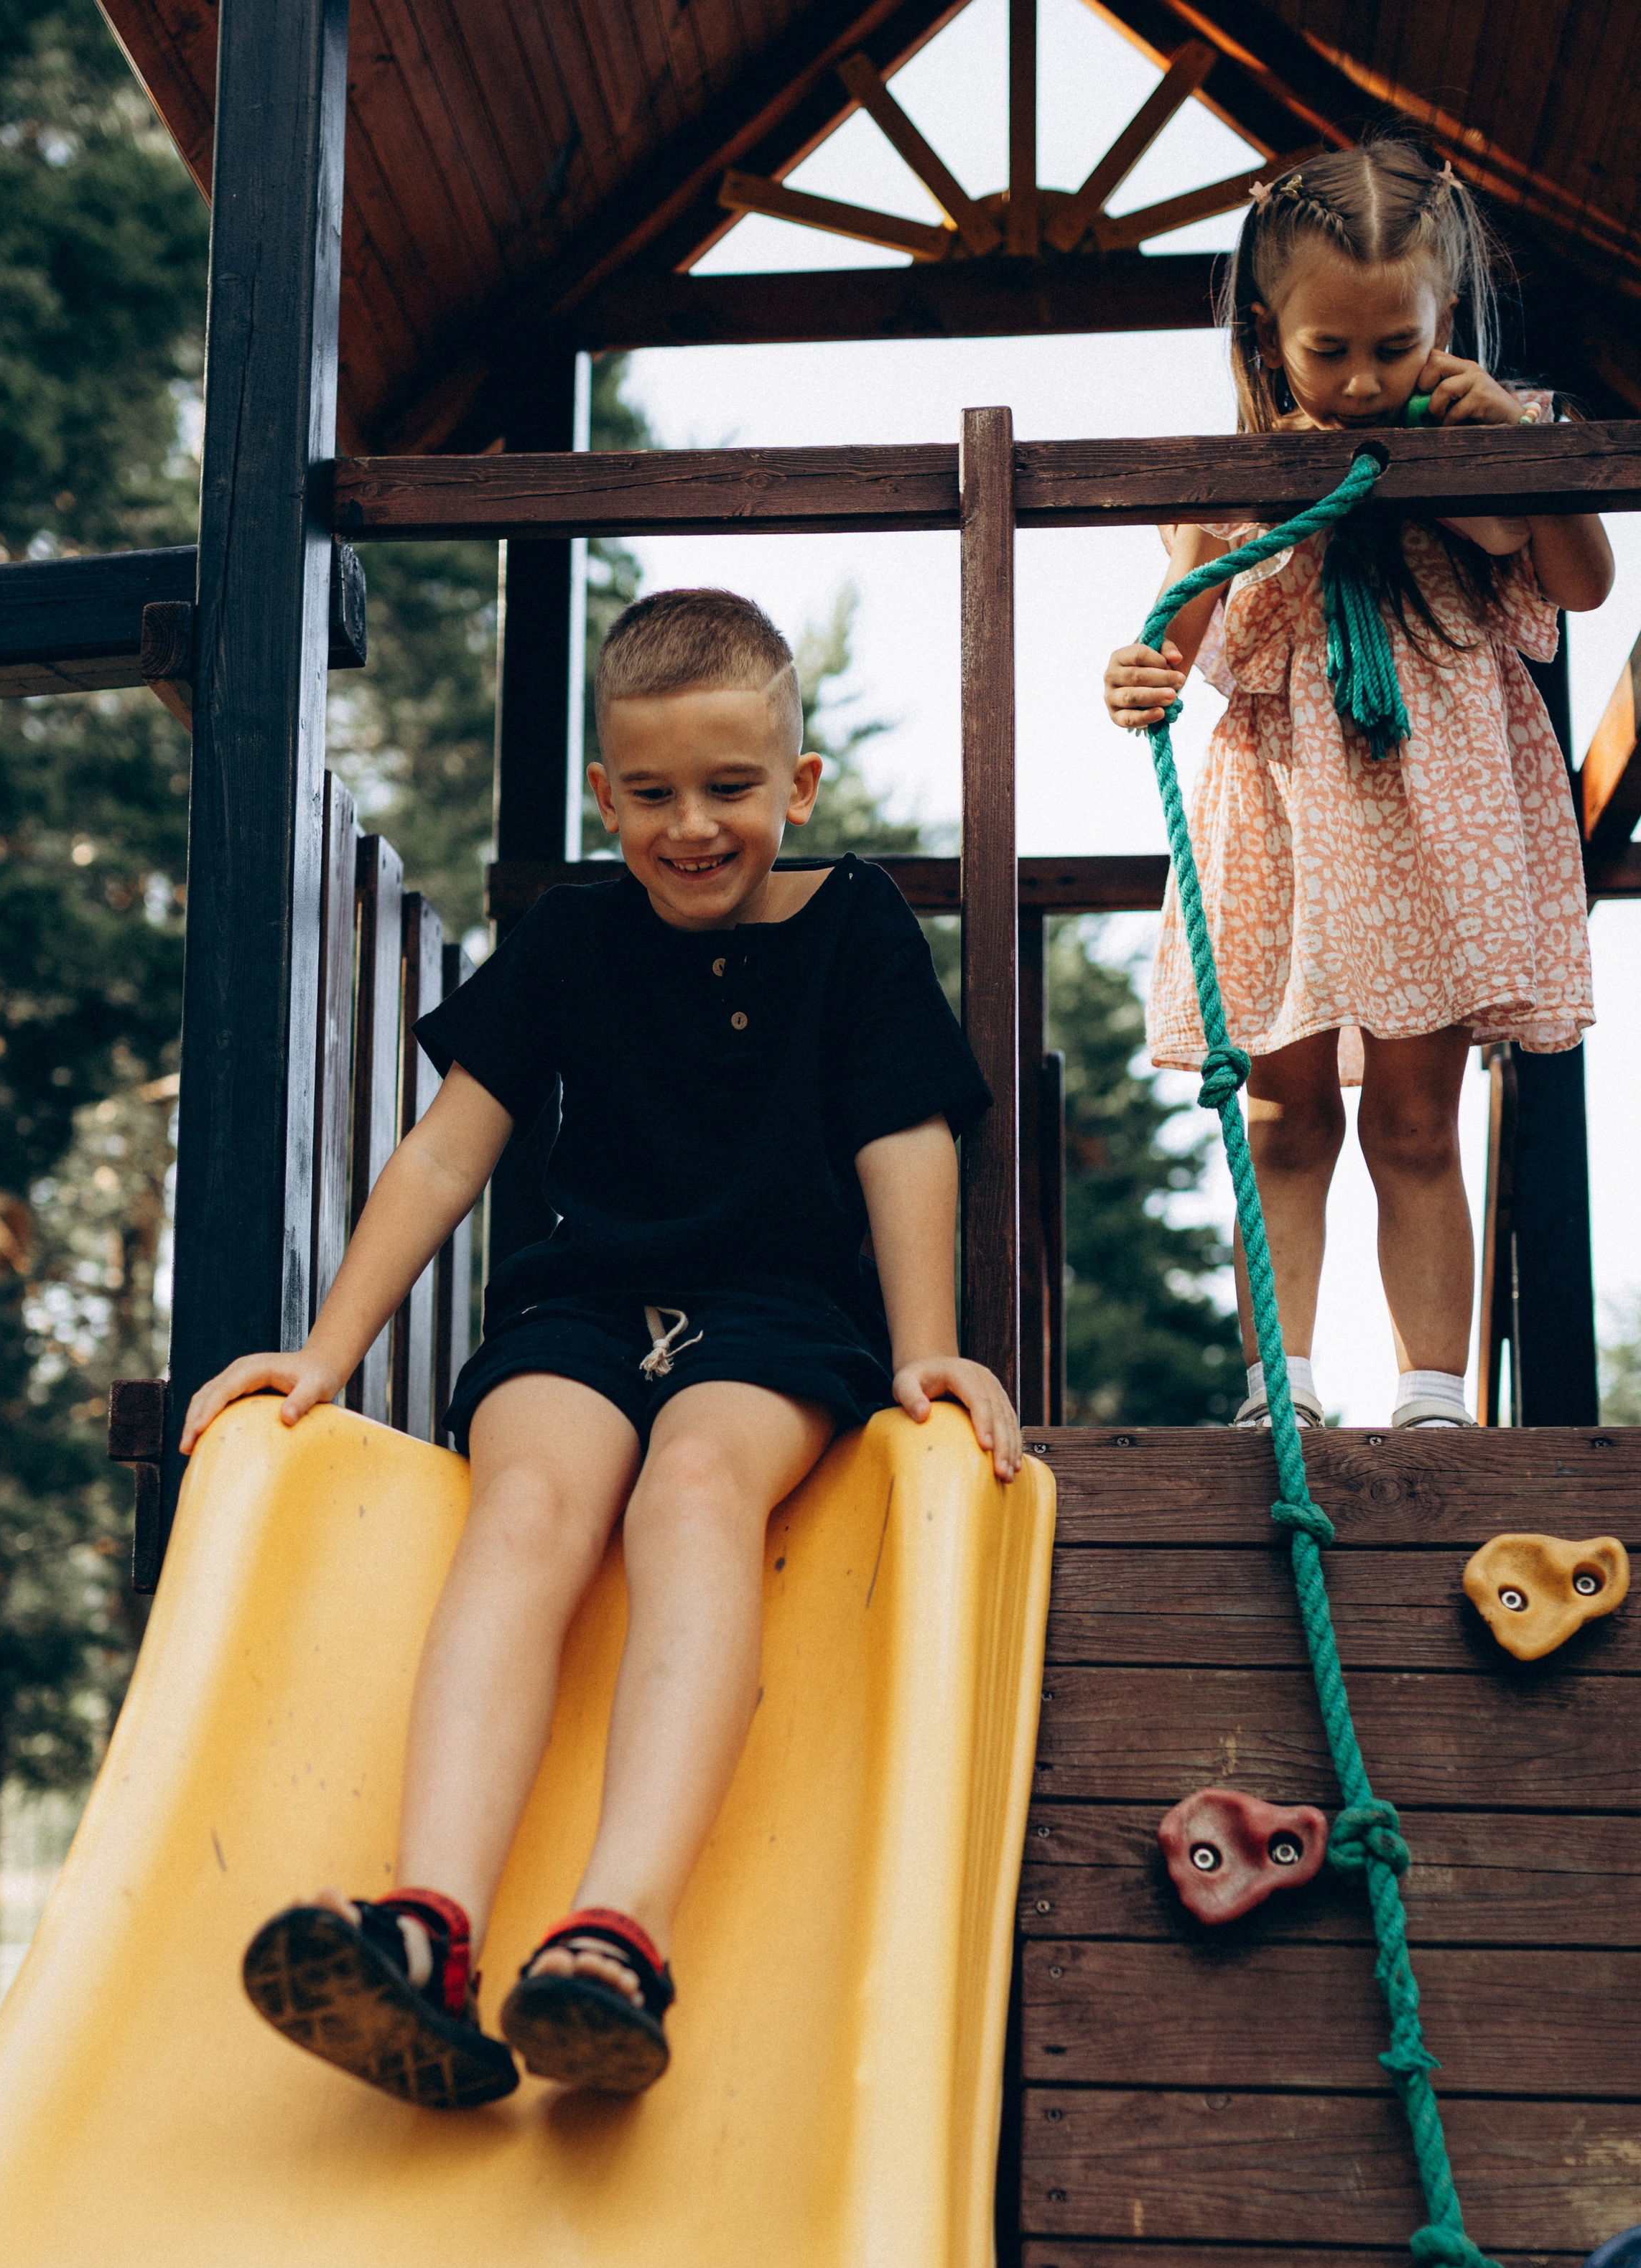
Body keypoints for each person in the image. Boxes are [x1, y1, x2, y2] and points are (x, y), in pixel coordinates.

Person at [180, 587, 1018, 2109]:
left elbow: (906, 1142)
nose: (689, 827)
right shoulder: (571, 938)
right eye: (651, 795)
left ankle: (610, 1940)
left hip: (774, 1318)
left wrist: (925, 1355)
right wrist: (322, 1354)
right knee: (527, 1507)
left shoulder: (853, 931)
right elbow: (445, 1157)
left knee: (692, 1495)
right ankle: (428, 1925)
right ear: (603, 794)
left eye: (728, 790)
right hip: (575, 1309)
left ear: (798, 788)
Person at [1102, 137, 1613, 1432]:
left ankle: (1434, 1398)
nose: (1366, 380)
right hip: (1281, 812)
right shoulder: (1234, 476)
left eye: (1399, 346)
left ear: (1449, 321)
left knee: (1415, 1118)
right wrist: (1137, 670)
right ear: (1271, 334)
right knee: (1282, 1116)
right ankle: (1286, 1387)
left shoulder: (1492, 444)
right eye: (1331, 351)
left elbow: (1582, 579)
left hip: (1432, 819)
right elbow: (1175, 639)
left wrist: (1514, 441)